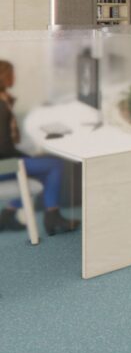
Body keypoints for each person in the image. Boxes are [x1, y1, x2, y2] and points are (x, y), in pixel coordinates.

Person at [0, 60, 78, 235]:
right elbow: (4, 147)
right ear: (4, 78)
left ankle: (9, 213)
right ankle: (52, 217)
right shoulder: (1, 106)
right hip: (3, 164)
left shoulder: (4, 101)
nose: (14, 78)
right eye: (12, 74)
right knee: (54, 166)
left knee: (45, 167)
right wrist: (30, 159)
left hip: (4, 160)